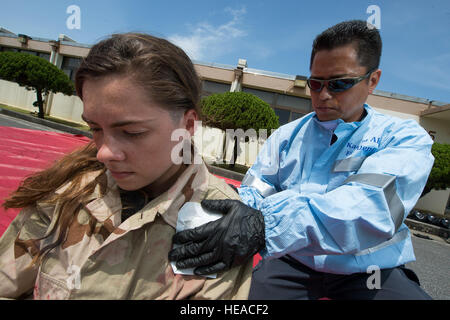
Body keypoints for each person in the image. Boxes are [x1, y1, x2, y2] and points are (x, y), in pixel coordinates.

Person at [168, 20, 434, 300]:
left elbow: (370, 209)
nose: (323, 95)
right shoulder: (287, 136)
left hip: (370, 271)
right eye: (315, 84)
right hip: (294, 262)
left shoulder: (402, 138)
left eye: (339, 84)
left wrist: (265, 225)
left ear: (373, 80)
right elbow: (255, 191)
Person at [0, 33, 253, 299]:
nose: (104, 153)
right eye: (95, 128)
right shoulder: (67, 192)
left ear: (188, 126)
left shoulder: (219, 232)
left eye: (132, 132)